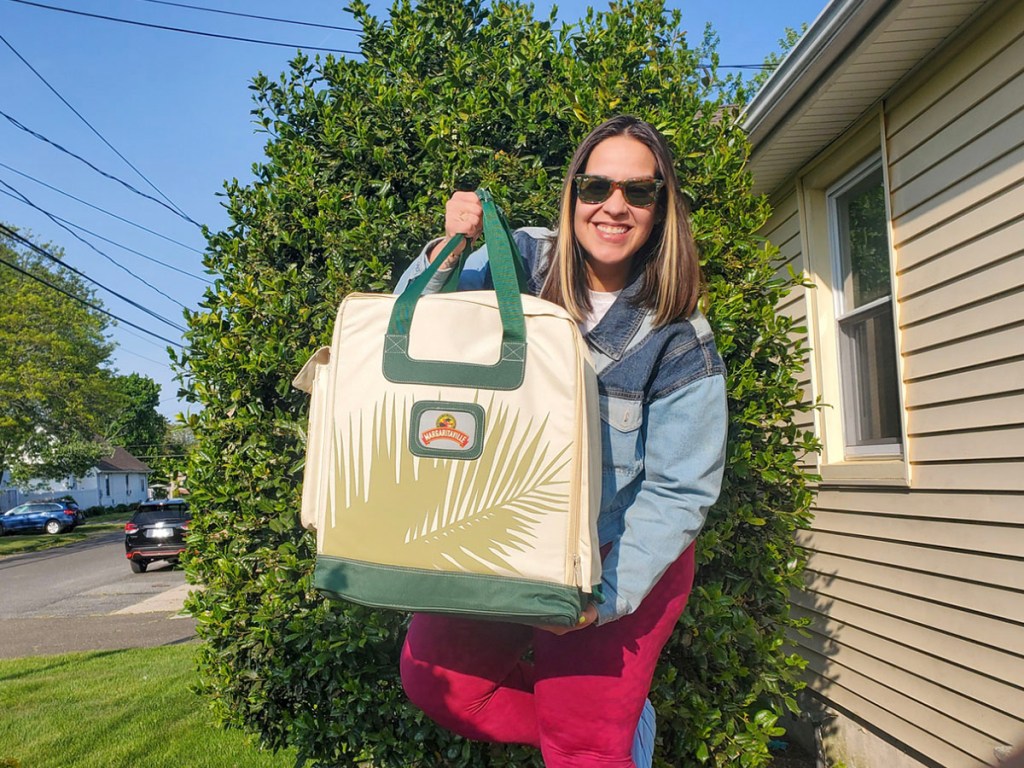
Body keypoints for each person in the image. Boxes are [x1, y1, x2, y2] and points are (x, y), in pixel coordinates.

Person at [395, 115, 729, 768]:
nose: (614, 206)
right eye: (597, 185)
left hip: (614, 553)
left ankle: (601, 732)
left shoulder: (681, 338)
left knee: (583, 751)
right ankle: (616, 726)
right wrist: (450, 246)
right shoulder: (521, 257)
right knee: (441, 682)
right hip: (505, 538)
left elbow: (679, 490)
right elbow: (416, 320)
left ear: (662, 210)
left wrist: (593, 605)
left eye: (639, 192)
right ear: (573, 192)